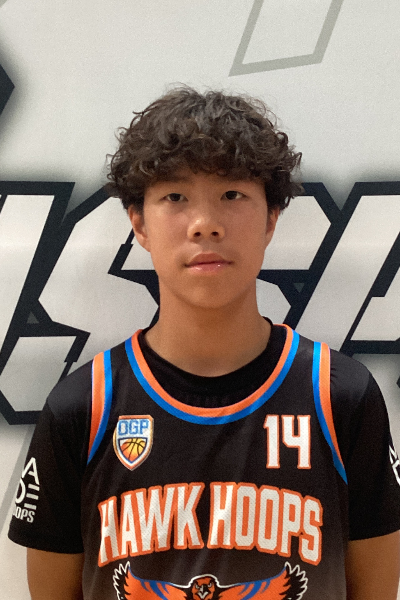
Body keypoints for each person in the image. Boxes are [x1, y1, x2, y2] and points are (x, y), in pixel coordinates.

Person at [8, 86, 400, 600]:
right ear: (138, 222)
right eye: (175, 197)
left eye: (232, 194)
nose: (205, 225)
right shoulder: (81, 408)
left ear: (271, 218)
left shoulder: (341, 397)